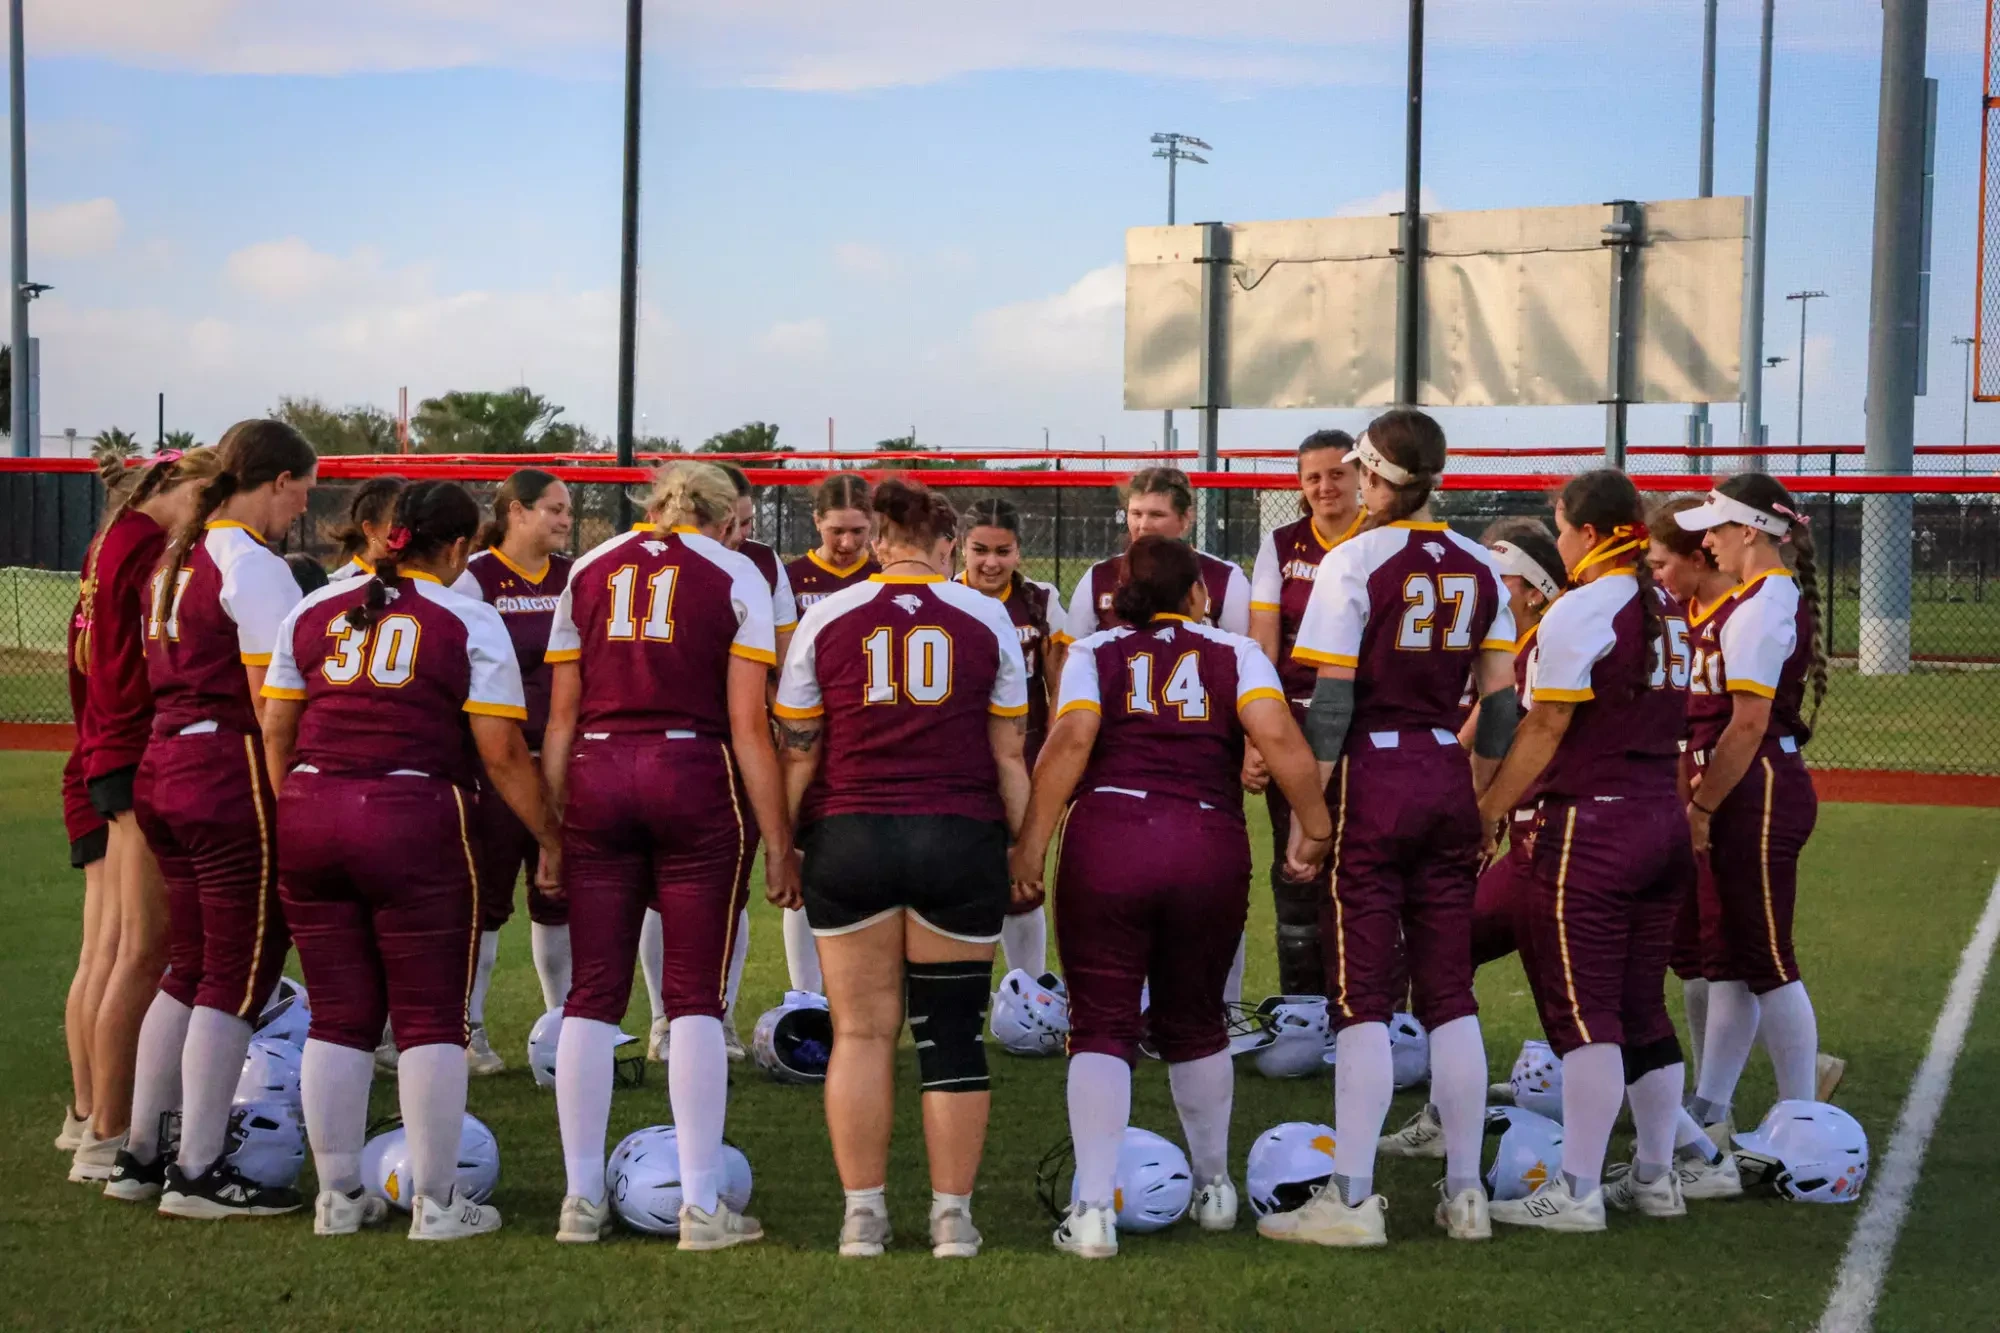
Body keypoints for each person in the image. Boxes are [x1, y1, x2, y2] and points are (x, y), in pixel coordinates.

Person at [1010, 536, 1333, 1259]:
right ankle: (1215, 1188)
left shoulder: (1095, 651)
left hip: (1110, 839)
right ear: (1197, 594)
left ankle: (1094, 1209)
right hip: (1206, 839)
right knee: (1197, 1021)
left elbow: (1070, 740)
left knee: (1101, 1024)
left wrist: (1030, 844)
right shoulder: (1234, 652)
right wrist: (1315, 824)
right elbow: (1278, 734)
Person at [261, 480, 559, 1242]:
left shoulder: (314, 606)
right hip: (412, 815)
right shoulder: (466, 616)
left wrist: (296, 807)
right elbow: (502, 752)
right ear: (458, 546)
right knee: (429, 1017)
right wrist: (553, 837)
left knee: (338, 1015)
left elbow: (277, 730)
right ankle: (436, 1200)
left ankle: (337, 1197)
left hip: (311, 809)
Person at [1257, 410, 1516, 1249]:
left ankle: (1354, 1193)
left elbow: (1332, 702)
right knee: (1450, 992)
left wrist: (1312, 815)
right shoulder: (1482, 562)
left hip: (1375, 771)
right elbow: (1501, 706)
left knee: (1363, 997)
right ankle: (1467, 1191)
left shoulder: (1355, 558)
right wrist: (1483, 799)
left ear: (1372, 473)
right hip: (1444, 767)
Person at [773, 477, 1030, 1260]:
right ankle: (952, 1218)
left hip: (852, 834)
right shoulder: (986, 614)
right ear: (947, 544)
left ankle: (863, 1215)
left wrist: (781, 843)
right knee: (952, 1032)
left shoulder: (827, 614)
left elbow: (800, 751)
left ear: (880, 541)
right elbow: (1009, 754)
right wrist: (1026, 848)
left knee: (859, 1031)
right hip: (958, 833)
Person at [538, 463, 795, 1248]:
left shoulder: (589, 566)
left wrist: (552, 828)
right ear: (727, 521)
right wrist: (779, 840)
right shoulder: (735, 573)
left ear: (652, 507)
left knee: (591, 993)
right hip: (692, 769)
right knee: (693, 1000)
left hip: (598, 766)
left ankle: (580, 1198)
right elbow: (750, 727)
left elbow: (560, 718)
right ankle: (701, 1204)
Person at [1475, 468, 1696, 1231]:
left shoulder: (1586, 606)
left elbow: (1544, 727)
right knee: (1642, 1006)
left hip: (1594, 827)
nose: (1559, 541)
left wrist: (1489, 809)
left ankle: (1577, 1190)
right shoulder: (1666, 603)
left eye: (1563, 528)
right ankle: (1657, 1175)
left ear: (1590, 532)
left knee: (1586, 1015)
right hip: (1659, 815)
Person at [118, 422, 317, 1216]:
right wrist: (290, 797)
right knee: (236, 972)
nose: (303, 507)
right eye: (302, 489)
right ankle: (197, 1169)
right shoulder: (251, 563)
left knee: (190, 965)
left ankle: (142, 1151)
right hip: (225, 769)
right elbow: (274, 706)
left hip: (165, 759)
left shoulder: (180, 552)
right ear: (276, 480)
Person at [68, 446, 221, 1183]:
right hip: (131, 746)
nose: (207, 513)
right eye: (204, 495)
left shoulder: (113, 537)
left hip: (106, 745)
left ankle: (88, 1116)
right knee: (139, 951)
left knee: (108, 950)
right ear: (176, 485)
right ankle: (108, 1131)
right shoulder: (145, 543)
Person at [1672, 475, 1828, 1136]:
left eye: (1716, 528)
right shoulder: (1756, 598)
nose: (1707, 541)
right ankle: (1712, 1105)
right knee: (1729, 960)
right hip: (1750, 782)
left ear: (1749, 529)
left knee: (1766, 960)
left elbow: (1747, 724)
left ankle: (1805, 1120)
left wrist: (1703, 806)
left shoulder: (1763, 604)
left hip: (1756, 786)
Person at [638, 461, 797, 1064]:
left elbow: (785, 658)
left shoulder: (760, 563)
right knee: (660, 894)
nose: (741, 533)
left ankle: (716, 1015)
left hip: (722, 744)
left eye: (750, 522)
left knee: (729, 891)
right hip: (702, 742)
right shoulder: (668, 561)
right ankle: (667, 1018)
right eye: (736, 520)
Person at [451, 469, 575, 1073]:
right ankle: (467, 1026)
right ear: (516, 512)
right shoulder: (474, 578)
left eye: (568, 510)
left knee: (561, 896)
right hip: (497, 761)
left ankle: (566, 1026)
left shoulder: (574, 576)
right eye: (554, 509)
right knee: (486, 899)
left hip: (562, 757)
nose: (565, 520)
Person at [1246, 430, 1362, 996]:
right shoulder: (1281, 544)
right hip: (1293, 722)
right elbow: (1263, 645)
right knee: (1293, 864)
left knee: (1360, 868)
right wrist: (1256, 735)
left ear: (1361, 477)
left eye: (1337, 474)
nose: (1325, 486)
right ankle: (1304, 1005)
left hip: (1363, 725)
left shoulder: (1381, 537)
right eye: (1313, 477)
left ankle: (1366, 1003)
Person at [53, 450, 144, 1157]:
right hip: (109, 763)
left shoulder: (97, 564)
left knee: (99, 953)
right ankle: (98, 1119)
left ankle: (84, 1110)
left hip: (88, 760)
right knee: (117, 952)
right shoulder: (130, 567)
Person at [775, 473, 877, 999]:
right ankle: (805, 997)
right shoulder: (790, 579)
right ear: (816, 521)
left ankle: (865, 995)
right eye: (837, 529)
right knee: (804, 863)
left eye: (859, 530)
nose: (847, 542)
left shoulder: (886, 577)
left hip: (872, 747)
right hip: (808, 743)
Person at [958, 497, 1065, 979]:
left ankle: (1031, 992)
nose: (991, 562)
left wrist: (1053, 757)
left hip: (1024, 757)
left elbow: (1060, 687)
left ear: (1019, 551)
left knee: (1023, 878)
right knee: (959, 877)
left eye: (1003, 551)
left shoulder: (1041, 600)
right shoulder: (944, 597)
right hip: (960, 760)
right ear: (960, 547)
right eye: (980, 550)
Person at [1464, 517, 1568, 971]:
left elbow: (1507, 723)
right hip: (1527, 816)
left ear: (1534, 592)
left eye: (1500, 578)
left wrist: (1477, 804)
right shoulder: (1511, 643)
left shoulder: (1541, 647)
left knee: (1450, 932)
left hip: (1544, 825)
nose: (1486, 587)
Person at [1062, 467, 1252, 642]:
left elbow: (1241, 654)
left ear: (1186, 518)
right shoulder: (1099, 576)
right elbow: (1071, 654)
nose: (1143, 525)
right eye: (1136, 514)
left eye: (1156, 515)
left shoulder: (1224, 578)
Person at [326, 475, 407, 582]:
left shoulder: (416, 580)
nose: (409, 532)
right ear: (370, 529)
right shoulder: (339, 584)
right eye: (399, 524)